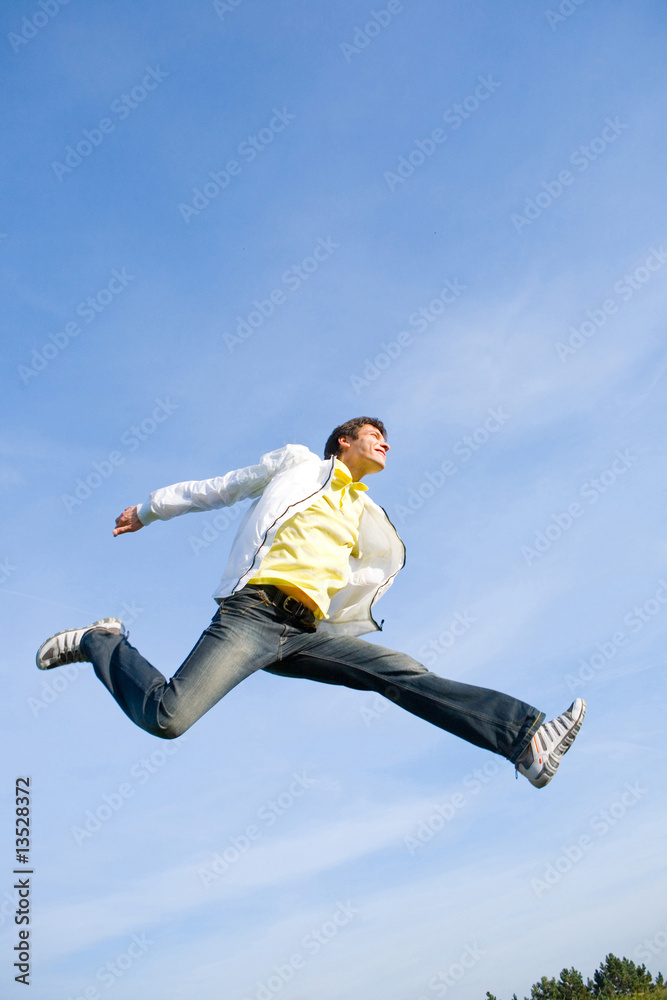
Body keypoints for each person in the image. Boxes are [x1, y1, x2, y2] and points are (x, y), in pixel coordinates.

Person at [36, 417, 585, 788]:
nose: (385, 443)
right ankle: (102, 640)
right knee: (168, 717)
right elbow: (221, 487)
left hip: (307, 633)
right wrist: (149, 509)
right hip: (251, 616)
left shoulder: (365, 514)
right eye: (375, 434)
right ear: (342, 441)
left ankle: (525, 741)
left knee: (402, 673)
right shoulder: (298, 465)